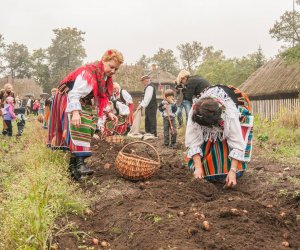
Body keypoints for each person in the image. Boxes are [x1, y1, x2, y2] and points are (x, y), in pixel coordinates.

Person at [47, 49, 123, 180]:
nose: (113, 71)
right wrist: (75, 113)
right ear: (103, 60)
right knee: (80, 127)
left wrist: (108, 112)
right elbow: (74, 94)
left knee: (88, 128)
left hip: (83, 101)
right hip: (69, 98)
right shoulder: (89, 73)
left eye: (116, 69)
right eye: (111, 67)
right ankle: (80, 165)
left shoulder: (104, 78)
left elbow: (101, 97)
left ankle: (73, 169)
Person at [185, 85, 253, 188]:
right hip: (209, 116)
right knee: (202, 172)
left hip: (235, 107)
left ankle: (231, 170)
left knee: (233, 172)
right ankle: (207, 167)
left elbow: (237, 142)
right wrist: (198, 168)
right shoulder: (195, 114)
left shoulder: (229, 113)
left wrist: (233, 171)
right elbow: (193, 140)